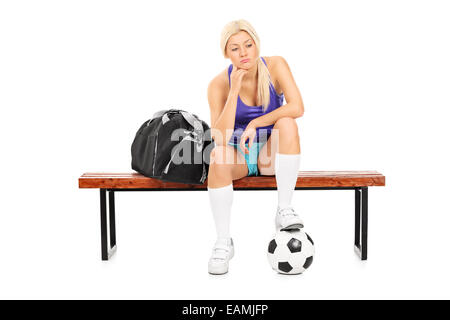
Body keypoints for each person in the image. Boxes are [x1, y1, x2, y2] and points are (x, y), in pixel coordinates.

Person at [206, 19, 305, 275]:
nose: (244, 53)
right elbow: (219, 137)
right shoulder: (218, 84)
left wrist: (258, 123)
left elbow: (297, 107)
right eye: (235, 48)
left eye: (248, 45)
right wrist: (233, 90)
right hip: (237, 155)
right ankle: (223, 242)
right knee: (217, 155)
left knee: (287, 122)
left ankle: (284, 209)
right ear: (226, 53)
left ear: (256, 44)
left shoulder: (275, 66)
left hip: (269, 155)